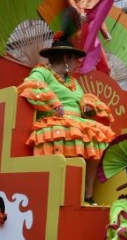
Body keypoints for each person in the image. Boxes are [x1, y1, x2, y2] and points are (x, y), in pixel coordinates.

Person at [17, 28, 115, 206]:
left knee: (98, 137)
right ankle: (60, 190)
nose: (75, 62)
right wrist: (53, 101)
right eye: (72, 58)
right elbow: (30, 85)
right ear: (65, 58)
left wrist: (87, 105)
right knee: (66, 135)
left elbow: (82, 99)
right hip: (54, 121)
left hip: (78, 122)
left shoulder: (73, 82)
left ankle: (87, 192)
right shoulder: (43, 72)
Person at [67, 0, 113, 75]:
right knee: (81, 57)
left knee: (100, 57)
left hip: (90, 25)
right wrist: (80, 13)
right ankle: (79, 78)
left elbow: (99, 13)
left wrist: (104, 31)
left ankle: (104, 77)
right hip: (79, 22)